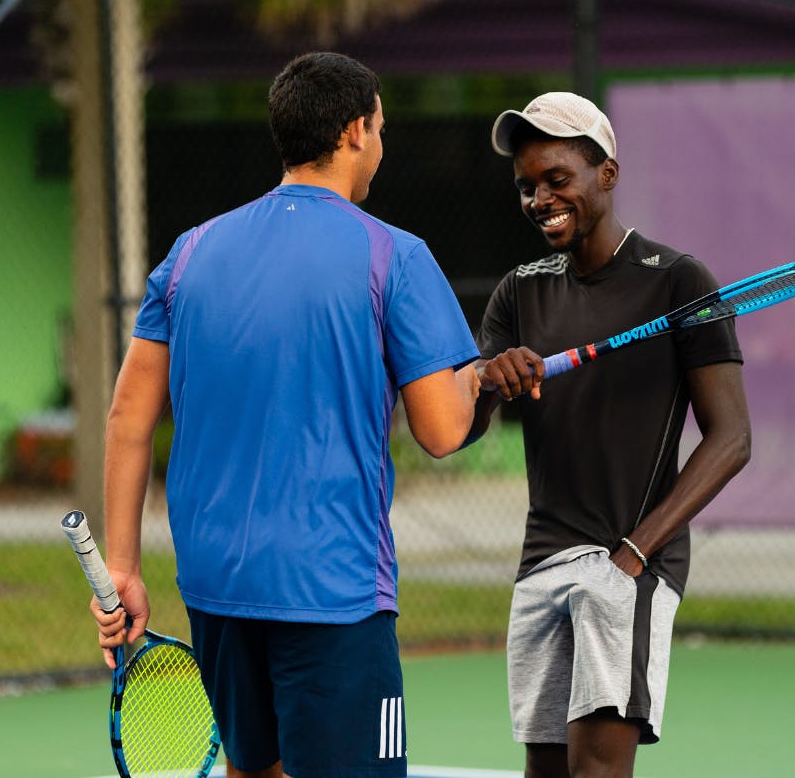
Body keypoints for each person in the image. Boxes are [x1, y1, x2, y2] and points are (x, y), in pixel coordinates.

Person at [90, 51, 481, 778]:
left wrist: (122, 566)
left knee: (251, 768)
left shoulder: (189, 253)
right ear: (357, 131)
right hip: (333, 592)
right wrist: (482, 378)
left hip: (215, 586)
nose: (382, 148)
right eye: (383, 129)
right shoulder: (394, 254)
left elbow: (127, 417)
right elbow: (442, 429)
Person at [467, 92, 751, 778]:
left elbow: (732, 438)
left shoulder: (680, 282)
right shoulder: (518, 292)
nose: (539, 199)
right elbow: (465, 430)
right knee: (547, 769)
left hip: (630, 558)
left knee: (596, 768)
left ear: (608, 175)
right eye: (527, 187)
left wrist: (633, 553)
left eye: (556, 179)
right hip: (542, 560)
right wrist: (484, 377)